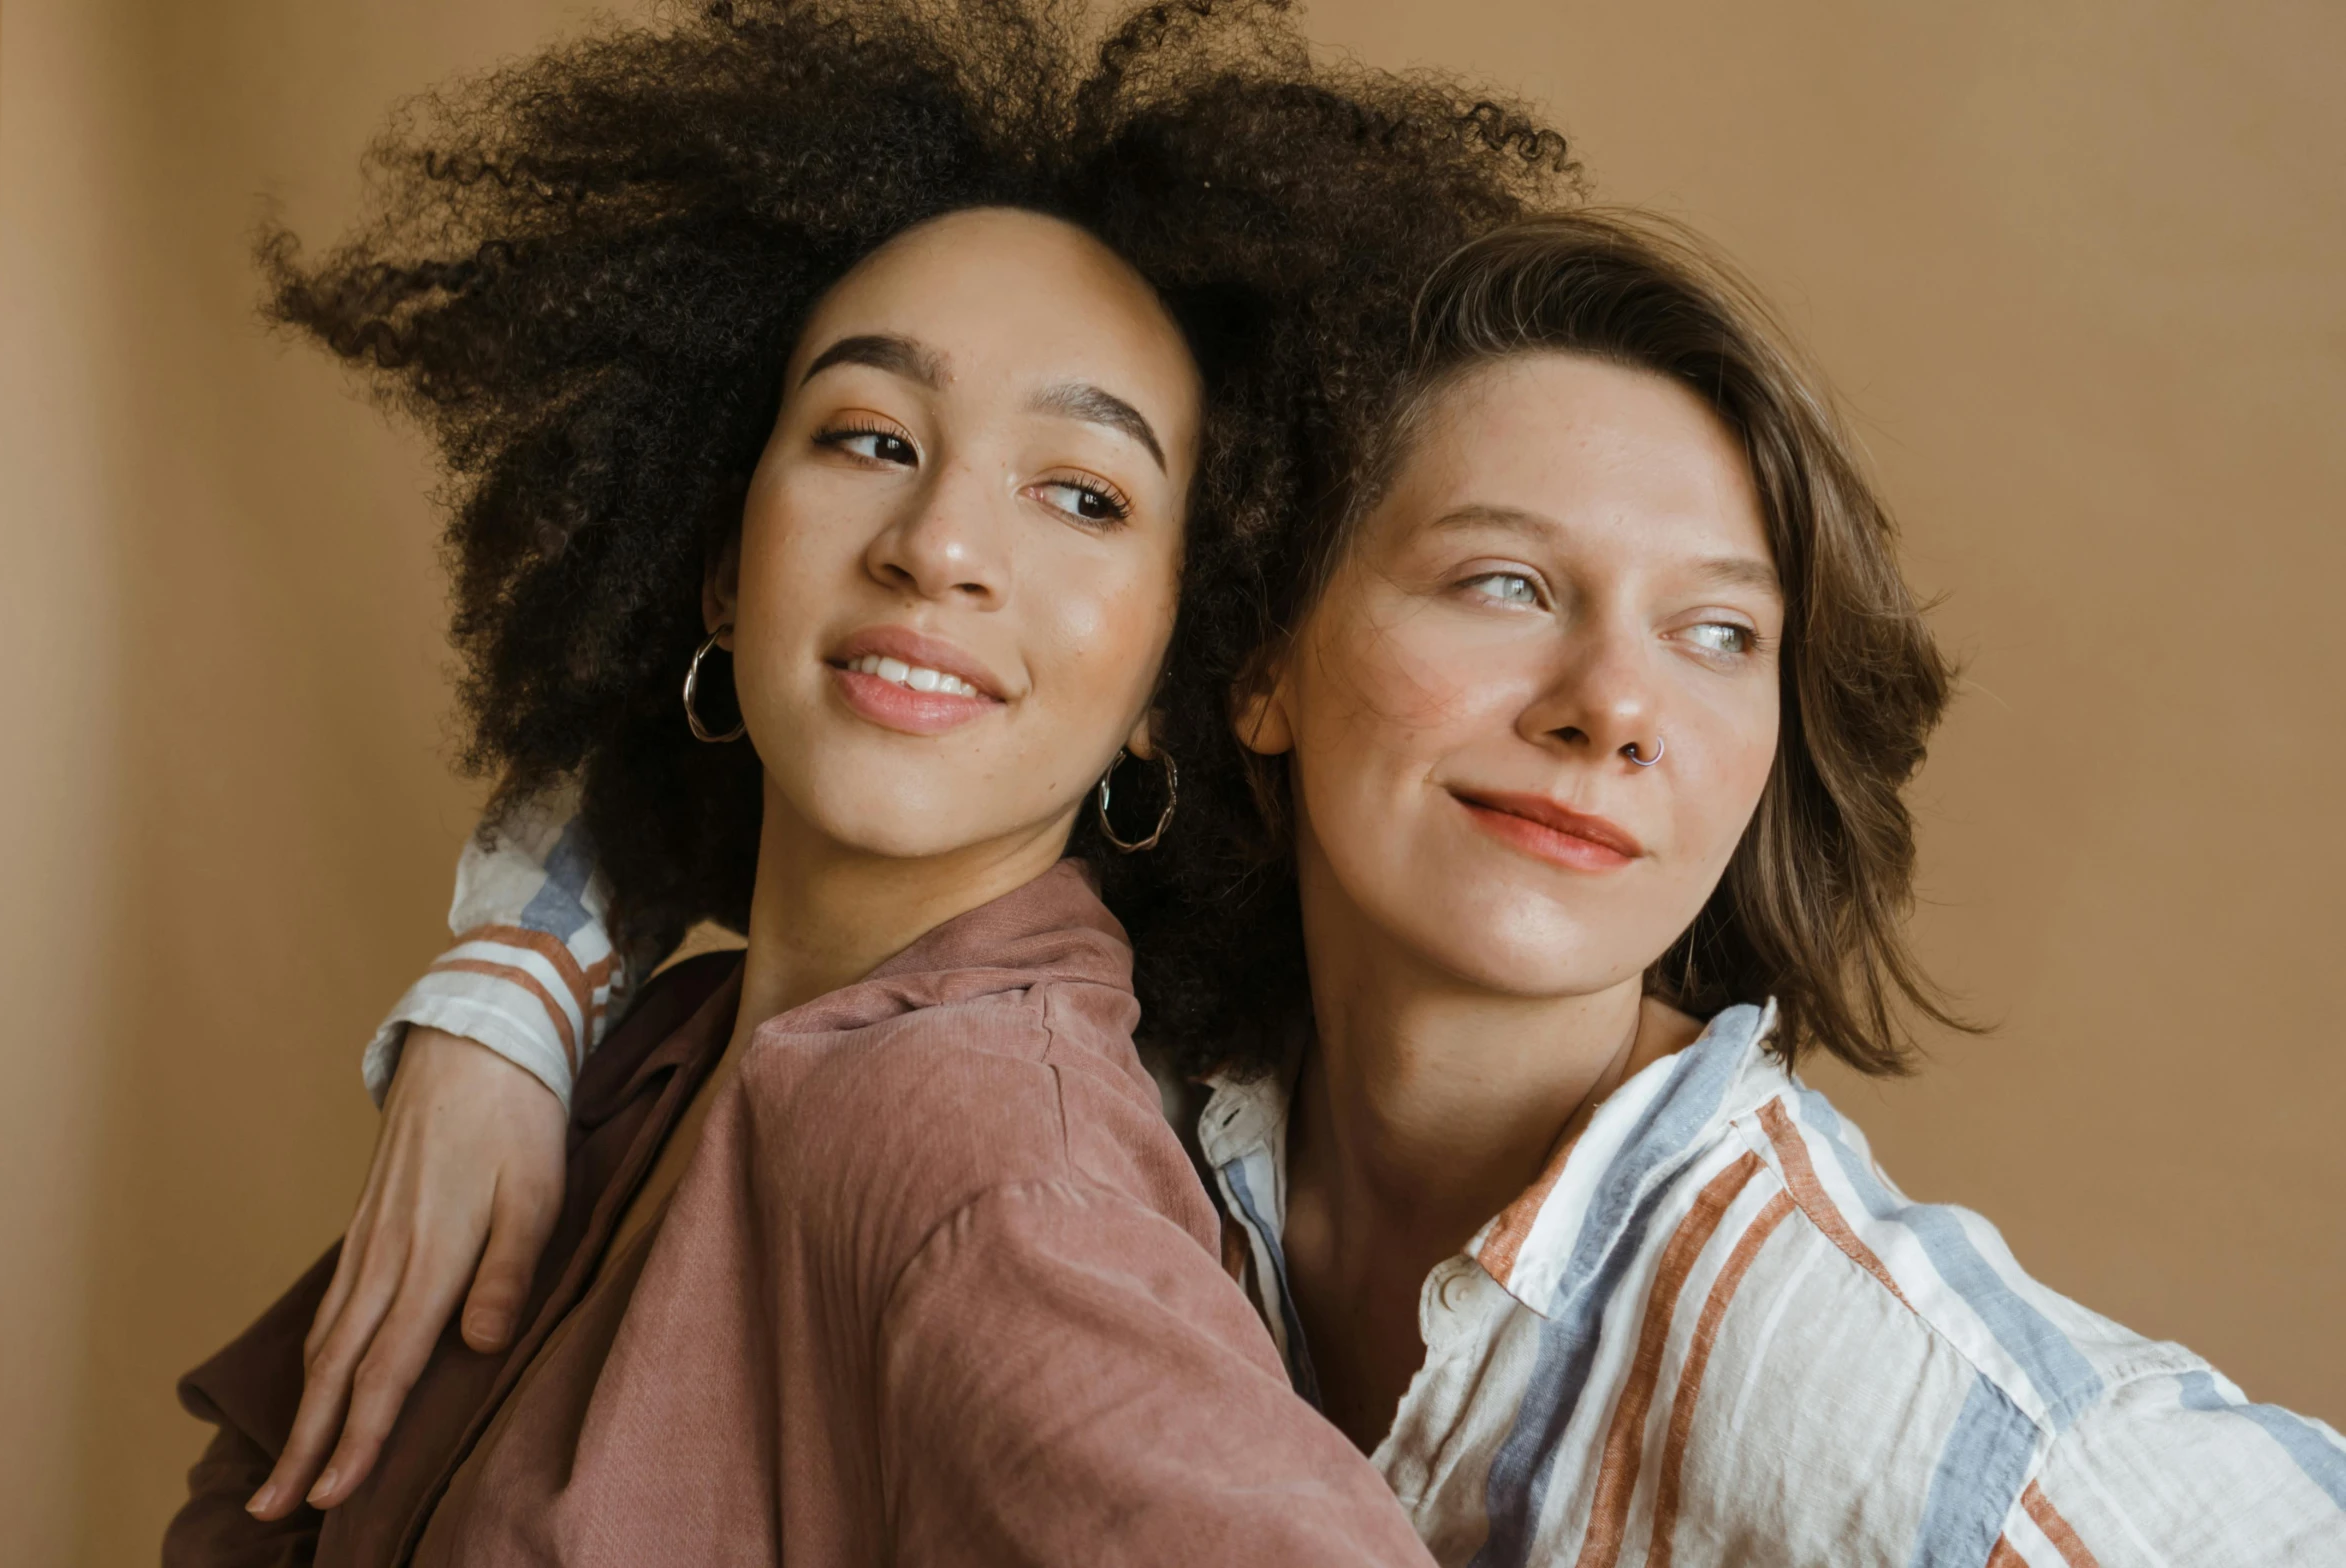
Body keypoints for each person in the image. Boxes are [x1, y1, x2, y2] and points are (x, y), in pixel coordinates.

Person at [285, 206, 2346, 1564]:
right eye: (1507, 583)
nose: (1611, 705)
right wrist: (507, 988)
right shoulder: (1184, 1049)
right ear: (1246, 668)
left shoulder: (1859, 1379)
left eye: (1720, 635)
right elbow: (858, 718)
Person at [162, 1, 1580, 1562]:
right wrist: (510, 996)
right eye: (865, 436)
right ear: (720, 563)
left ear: (1178, 676)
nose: (939, 546)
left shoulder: (986, 1158)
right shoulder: (673, 1046)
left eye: (1081, 492)